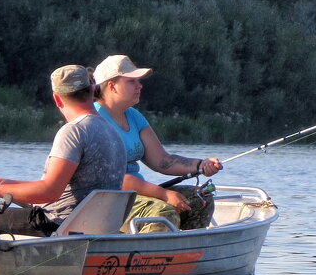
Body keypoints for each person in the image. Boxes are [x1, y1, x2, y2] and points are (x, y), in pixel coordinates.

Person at [0, 65, 126, 237]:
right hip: (96, 227)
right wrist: (5, 184)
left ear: (57, 99)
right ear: (92, 91)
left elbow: (50, 191)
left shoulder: (75, 131)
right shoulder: (112, 131)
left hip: (57, 225)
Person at [92, 54, 223, 232]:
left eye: (139, 81)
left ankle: (184, 247)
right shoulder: (94, 120)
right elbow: (116, 179)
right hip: (107, 201)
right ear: (111, 86)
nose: (139, 86)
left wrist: (201, 164)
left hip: (136, 195)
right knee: (163, 213)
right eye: (131, 81)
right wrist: (164, 194)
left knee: (201, 199)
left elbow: (162, 161)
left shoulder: (134, 116)